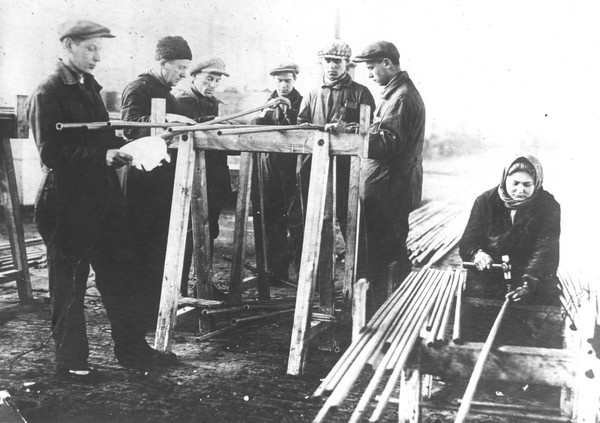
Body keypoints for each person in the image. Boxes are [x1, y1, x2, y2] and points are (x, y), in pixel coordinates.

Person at [26, 20, 174, 379]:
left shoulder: (88, 87)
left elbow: (102, 137)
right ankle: (71, 363)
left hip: (102, 200)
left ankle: (132, 350)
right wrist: (102, 156)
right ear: (68, 46)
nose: (97, 56)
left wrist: (135, 146)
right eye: (90, 48)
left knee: (121, 275)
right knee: (69, 286)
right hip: (66, 203)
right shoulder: (48, 91)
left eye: (99, 50)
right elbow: (50, 152)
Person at [120, 36, 194, 326]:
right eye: (180, 67)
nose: (184, 74)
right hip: (143, 182)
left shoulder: (166, 92)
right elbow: (129, 127)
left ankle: (153, 309)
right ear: (163, 63)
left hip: (161, 181)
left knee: (159, 246)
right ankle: (139, 313)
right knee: (142, 245)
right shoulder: (139, 88)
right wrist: (169, 122)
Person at [459, 154, 561, 347]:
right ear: (504, 180)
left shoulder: (548, 206)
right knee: (476, 327)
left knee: (534, 330)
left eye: (527, 185)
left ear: (537, 184)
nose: (520, 190)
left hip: (528, 276)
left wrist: (528, 282)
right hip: (490, 276)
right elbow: (468, 241)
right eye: (515, 183)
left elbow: (545, 250)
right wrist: (477, 253)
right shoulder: (486, 201)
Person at [353, 41, 426, 311]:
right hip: (388, 187)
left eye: (372, 67)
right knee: (384, 251)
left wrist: (355, 136)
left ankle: (388, 311)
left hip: (390, 189)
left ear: (387, 63)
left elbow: (389, 143)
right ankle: (385, 308)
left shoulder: (402, 97)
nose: (369, 74)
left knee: (388, 254)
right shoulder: (394, 93)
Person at [297, 40, 375, 278]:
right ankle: (314, 275)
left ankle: (359, 274)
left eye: (337, 62)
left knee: (350, 219)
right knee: (314, 217)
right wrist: (317, 129)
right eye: (328, 61)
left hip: (347, 169)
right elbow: (300, 126)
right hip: (315, 167)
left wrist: (346, 129)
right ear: (321, 62)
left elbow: (370, 129)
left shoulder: (361, 93)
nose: (332, 66)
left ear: (346, 64)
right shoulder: (312, 94)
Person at [250, 62, 304, 282]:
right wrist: (262, 115)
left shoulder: (302, 102)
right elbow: (253, 127)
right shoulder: (267, 102)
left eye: (287, 81)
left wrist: (290, 112)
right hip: (269, 167)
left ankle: (302, 274)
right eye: (279, 81)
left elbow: (303, 127)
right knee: (271, 219)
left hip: (293, 169)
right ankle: (275, 272)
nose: (283, 85)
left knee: (297, 220)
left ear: (294, 80)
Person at [176, 58, 232, 249]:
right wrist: (209, 121)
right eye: (209, 79)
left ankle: (204, 269)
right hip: (190, 178)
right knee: (187, 231)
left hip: (214, 178)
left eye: (217, 81)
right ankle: (184, 270)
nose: (213, 85)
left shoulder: (216, 104)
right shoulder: (179, 101)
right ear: (193, 76)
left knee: (210, 230)